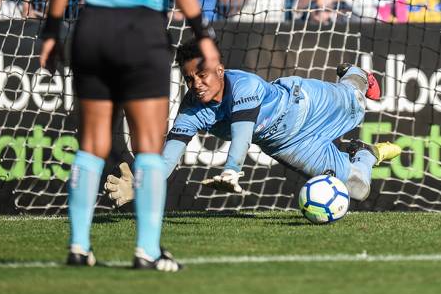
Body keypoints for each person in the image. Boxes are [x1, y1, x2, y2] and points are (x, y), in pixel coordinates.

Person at [38, 0, 215, 272]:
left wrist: (51, 33)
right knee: (149, 146)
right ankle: (147, 251)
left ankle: (79, 247)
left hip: (93, 29)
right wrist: (203, 33)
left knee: (92, 144)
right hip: (141, 32)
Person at [103, 39, 401, 206]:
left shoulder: (243, 85)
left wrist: (232, 170)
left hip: (306, 105)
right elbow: (168, 158)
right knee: (357, 188)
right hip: (285, 143)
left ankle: (355, 73)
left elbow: (242, 132)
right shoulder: (191, 110)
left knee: (356, 98)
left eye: (202, 75)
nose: (196, 84)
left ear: (219, 70)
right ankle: (364, 153)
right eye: (189, 78)